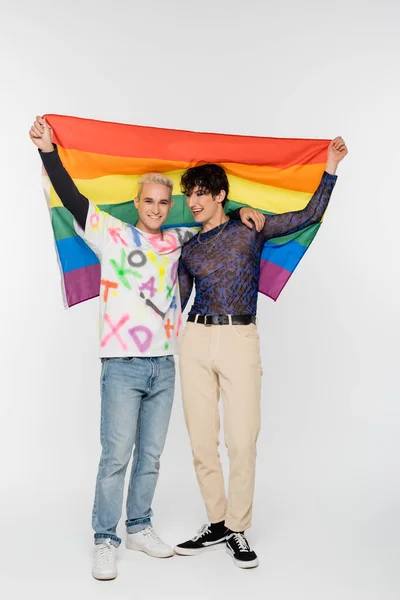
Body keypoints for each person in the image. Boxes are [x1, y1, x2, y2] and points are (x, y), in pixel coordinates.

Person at [29, 115, 262, 580]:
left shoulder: (180, 238)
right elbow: (73, 198)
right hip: (121, 362)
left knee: (151, 456)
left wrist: (238, 212)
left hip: (165, 362)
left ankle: (139, 526)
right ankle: (105, 538)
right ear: (136, 202)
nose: (156, 208)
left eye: (163, 202)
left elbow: (216, 226)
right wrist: (48, 152)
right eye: (148, 201)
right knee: (116, 455)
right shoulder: (110, 233)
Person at [175, 138, 348, 569]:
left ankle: (238, 526)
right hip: (194, 338)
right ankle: (216, 521)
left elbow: (309, 215)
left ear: (220, 195)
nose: (193, 201)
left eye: (201, 193)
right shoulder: (188, 248)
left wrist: (330, 168)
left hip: (239, 339)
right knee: (201, 442)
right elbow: (175, 300)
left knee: (242, 439)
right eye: (189, 194)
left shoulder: (249, 227)